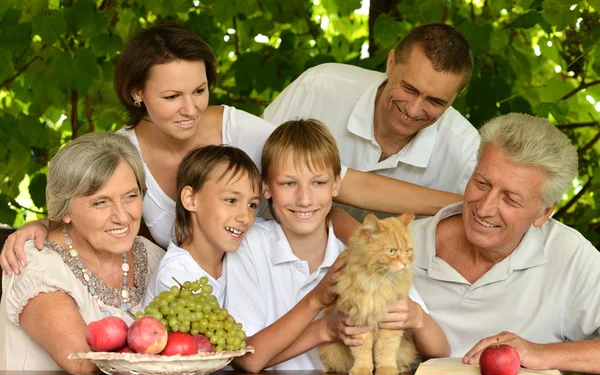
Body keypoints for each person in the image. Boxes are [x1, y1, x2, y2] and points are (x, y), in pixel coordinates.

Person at [1, 21, 463, 274]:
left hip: (272, 280)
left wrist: (463, 203)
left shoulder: (234, 127)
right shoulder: (122, 156)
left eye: (199, 91)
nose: (190, 110)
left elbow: (344, 185)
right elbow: (93, 216)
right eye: (171, 97)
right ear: (137, 93)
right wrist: (41, 225)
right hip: (190, 293)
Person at [333, 113, 600, 374]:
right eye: (481, 183)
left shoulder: (570, 256)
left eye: (510, 199)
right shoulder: (403, 245)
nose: (484, 208)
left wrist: (540, 353)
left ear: (543, 212)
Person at [226, 119, 449, 372]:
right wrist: (323, 321)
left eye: (318, 183)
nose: (304, 199)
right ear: (266, 186)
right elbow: (246, 359)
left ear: (336, 185)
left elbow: (441, 350)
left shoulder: (368, 252)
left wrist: (417, 318)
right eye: (288, 183)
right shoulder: (248, 245)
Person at [263, 23, 480, 221]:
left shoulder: (467, 152)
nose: (413, 110)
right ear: (391, 62)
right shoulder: (318, 87)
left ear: (458, 94)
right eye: (409, 89)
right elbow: (249, 160)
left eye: (435, 101)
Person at [0, 133, 165, 374]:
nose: (122, 216)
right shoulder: (35, 264)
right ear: (65, 210)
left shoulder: (151, 257)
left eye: (131, 196)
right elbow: (83, 361)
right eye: (100, 202)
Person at [143, 145, 261, 307]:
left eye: (252, 205)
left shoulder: (245, 258)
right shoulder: (174, 277)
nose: (245, 217)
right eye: (231, 200)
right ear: (191, 199)